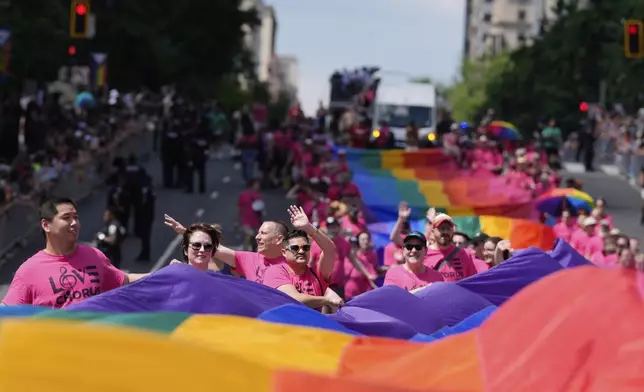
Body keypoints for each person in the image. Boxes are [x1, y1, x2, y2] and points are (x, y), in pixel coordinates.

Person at [1, 197, 145, 308]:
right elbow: (8, 311)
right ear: (46, 225)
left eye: (76, 217)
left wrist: (167, 271)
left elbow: (125, 280)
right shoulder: (29, 271)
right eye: (66, 218)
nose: (74, 223)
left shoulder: (94, 255)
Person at [164, 214, 289, 284]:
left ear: (278, 239)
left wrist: (308, 230)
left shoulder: (295, 263)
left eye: (263, 233)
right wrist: (186, 233)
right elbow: (211, 246)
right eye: (258, 233)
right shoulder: (249, 259)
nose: (257, 237)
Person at [263, 207, 342, 312]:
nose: (301, 251)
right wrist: (327, 300)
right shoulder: (275, 271)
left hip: (312, 328)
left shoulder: (317, 274)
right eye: (295, 248)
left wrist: (308, 227)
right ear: (283, 252)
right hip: (285, 327)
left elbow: (330, 249)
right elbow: (293, 299)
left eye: (305, 248)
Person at [423, 213, 477, 282]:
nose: (445, 232)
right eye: (442, 228)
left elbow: (472, 281)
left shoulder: (464, 254)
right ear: (433, 231)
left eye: (448, 228)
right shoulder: (424, 254)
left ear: (452, 231)